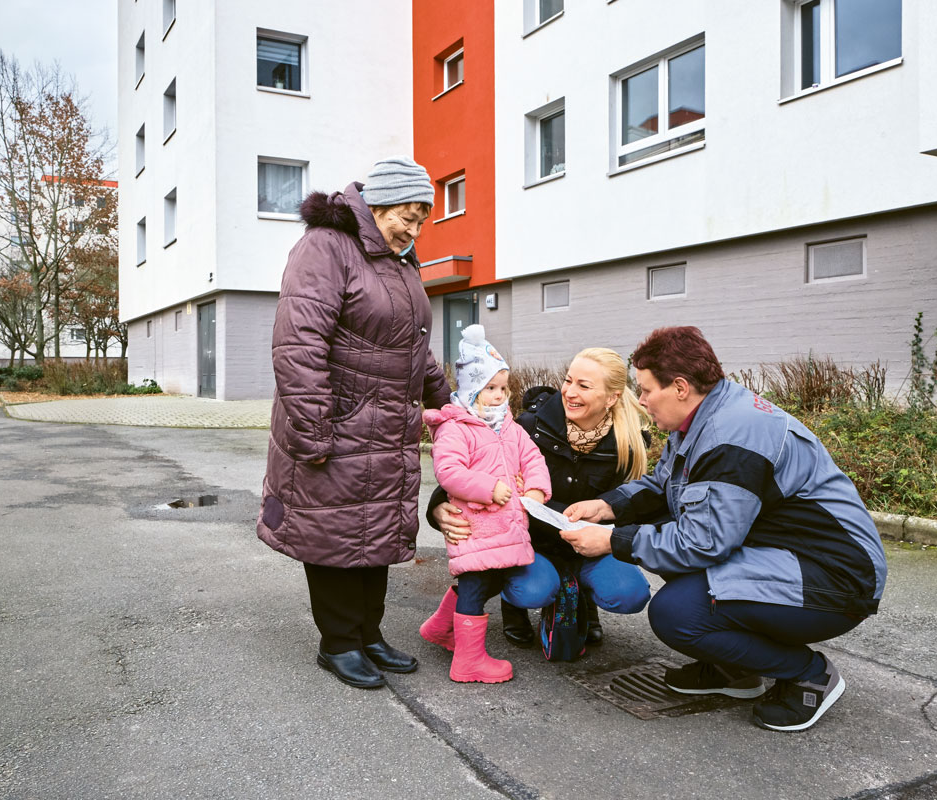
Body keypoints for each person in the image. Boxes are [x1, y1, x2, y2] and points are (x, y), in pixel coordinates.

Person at [561, 326, 888, 732]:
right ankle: (735, 670)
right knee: (666, 535)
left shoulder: (731, 436)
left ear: (680, 386)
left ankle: (809, 673)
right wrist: (609, 506)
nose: (641, 402)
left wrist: (611, 540)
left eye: (645, 390)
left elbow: (703, 543)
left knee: (677, 614)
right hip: (786, 553)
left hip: (834, 579)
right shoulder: (704, 416)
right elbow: (665, 486)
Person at [257, 156, 451, 690]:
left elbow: (410, 346)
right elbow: (298, 345)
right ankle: (338, 642)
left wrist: (446, 398)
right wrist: (313, 427)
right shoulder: (325, 245)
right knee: (336, 532)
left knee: (374, 529)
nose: (412, 231)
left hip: (385, 425)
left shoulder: (398, 260)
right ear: (378, 203)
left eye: (420, 221)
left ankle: (368, 633)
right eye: (406, 217)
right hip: (338, 420)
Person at [428, 347, 653, 653]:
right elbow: (471, 469)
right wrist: (438, 506)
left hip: (591, 548)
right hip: (534, 545)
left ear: (611, 397)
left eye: (584, 386)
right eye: (569, 380)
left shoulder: (630, 442)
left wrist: (599, 527)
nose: (570, 392)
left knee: (630, 593)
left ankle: (583, 600)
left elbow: (631, 509)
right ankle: (514, 606)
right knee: (532, 590)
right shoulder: (531, 425)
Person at [419, 325, 552, 683]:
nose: (499, 396)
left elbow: (533, 458)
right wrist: (489, 488)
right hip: (475, 526)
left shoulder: (509, 426)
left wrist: (537, 490)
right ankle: (468, 661)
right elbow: (449, 472)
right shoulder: (456, 428)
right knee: (476, 586)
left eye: (504, 388)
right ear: (472, 389)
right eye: (490, 388)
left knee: (490, 582)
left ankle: (441, 628)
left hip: (506, 527)